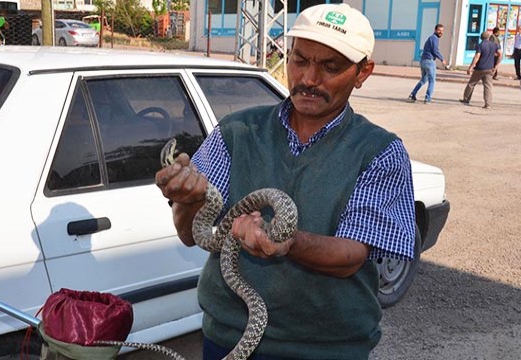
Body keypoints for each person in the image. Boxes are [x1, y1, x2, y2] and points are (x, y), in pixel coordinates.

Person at [155, 4, 416, 359]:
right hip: (228, 335)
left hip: (328, 348)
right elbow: (191, 234)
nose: (309, 79)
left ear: (363, 72)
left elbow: (351, 256)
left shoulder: (379, 151)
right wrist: (186, 200)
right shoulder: (237, 131)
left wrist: (286, 243)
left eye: (330, 67)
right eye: (299, 60)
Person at [459, 31, 502, 109]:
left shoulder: (480, 45)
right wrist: (496, 66)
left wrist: (471, 67)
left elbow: (477, 57)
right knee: (488, 86)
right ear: (489, 37)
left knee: (471, 84)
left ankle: (466, 99)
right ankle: (487, 103)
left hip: (480, 68)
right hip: (489, 68)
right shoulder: (494, 45)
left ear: (481, 38)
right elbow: (500, 54)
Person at [408, 24, 449, 104]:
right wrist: (442, 59)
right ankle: (427, 98)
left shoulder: (431, 38)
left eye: (442, 31)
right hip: (429, 62)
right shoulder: (434, 38)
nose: (441, 32)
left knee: (423, 79)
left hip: (423, 61)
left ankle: (412, 94)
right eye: (439, 30)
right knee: (432, 81)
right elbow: (435, 51)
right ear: (435, 30)